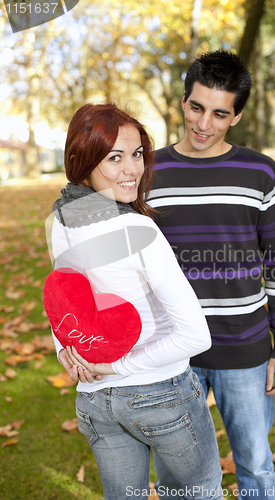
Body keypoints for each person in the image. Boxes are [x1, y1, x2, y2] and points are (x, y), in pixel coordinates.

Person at [45, 103, 223, 500]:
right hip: (160, 394)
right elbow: (197, 336)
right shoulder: (138, 229)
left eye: (137, 153)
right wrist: (116, 365)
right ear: (83, 160)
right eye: (115, 158)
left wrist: (65, 352)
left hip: (96, 401)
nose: (132, 169)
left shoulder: (60, 220)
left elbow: (60, 299)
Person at [148, 50, 275, 500]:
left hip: (246, 349)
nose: (203, 124)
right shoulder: (147, 172)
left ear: (236, 116)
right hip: (172, 352)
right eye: (196, 107)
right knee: (177, 477)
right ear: (183, 101)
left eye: (219, 113)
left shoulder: (260, 172)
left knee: (254, 466)